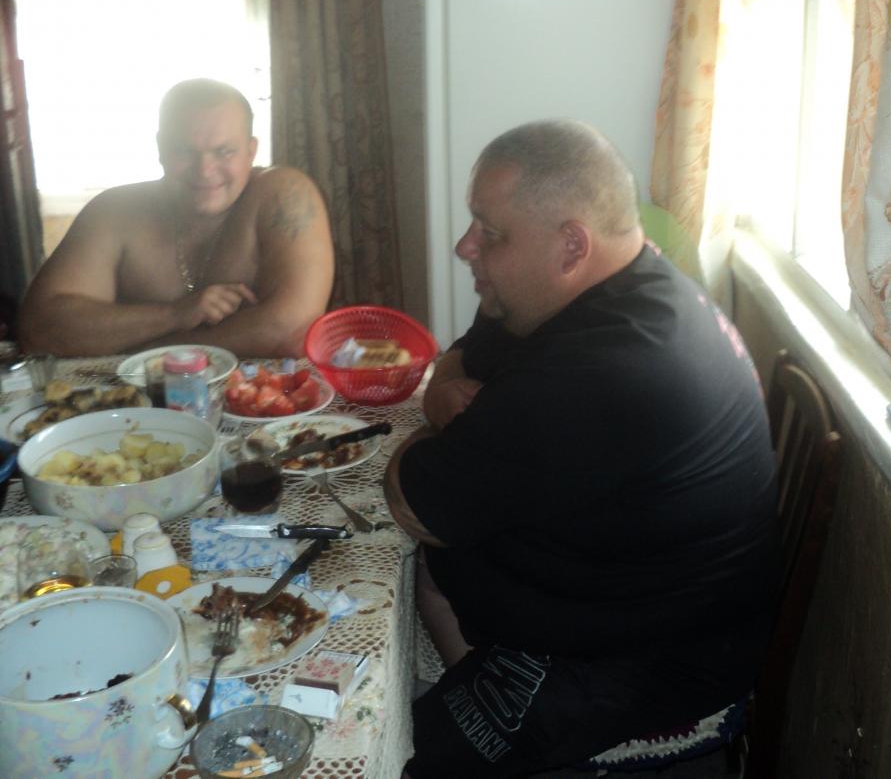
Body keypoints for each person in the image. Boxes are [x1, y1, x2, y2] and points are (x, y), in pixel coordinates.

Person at [382, 120, 778, 778]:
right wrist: (443, 399)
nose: (464, 246)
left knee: (386, 754)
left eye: (490, 232)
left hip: (629, 670)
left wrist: (429, 434)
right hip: (616, 605)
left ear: (571, 244)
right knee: (420, 580)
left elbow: (413, 500)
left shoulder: (602, 371)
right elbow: (467, 353)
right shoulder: (607, 286)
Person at [17, 78, 334, 358]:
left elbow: (291, 331)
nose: (204, 170)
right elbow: (39, 329)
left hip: (268, 404)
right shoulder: (113, 210)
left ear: (251, 152)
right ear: (160, 149)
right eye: (184, 151)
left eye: (224, 152)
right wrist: (173, 315)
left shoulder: (285, 194)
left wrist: (148, 352)